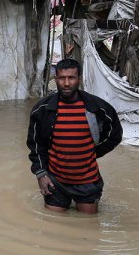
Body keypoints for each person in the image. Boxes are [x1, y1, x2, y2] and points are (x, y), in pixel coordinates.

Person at [27, 58, 122, 214]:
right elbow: (36, 145)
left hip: (88, 181)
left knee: (87, 227)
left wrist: (93, 152)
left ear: (79, 79)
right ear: (55, 79)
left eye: (71, 78)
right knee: (53, 225)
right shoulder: (42, 109)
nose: (66, 83)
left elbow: (115, 135)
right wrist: (41, 174)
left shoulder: (97, 107)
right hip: (55, 181)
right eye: (62, 78)